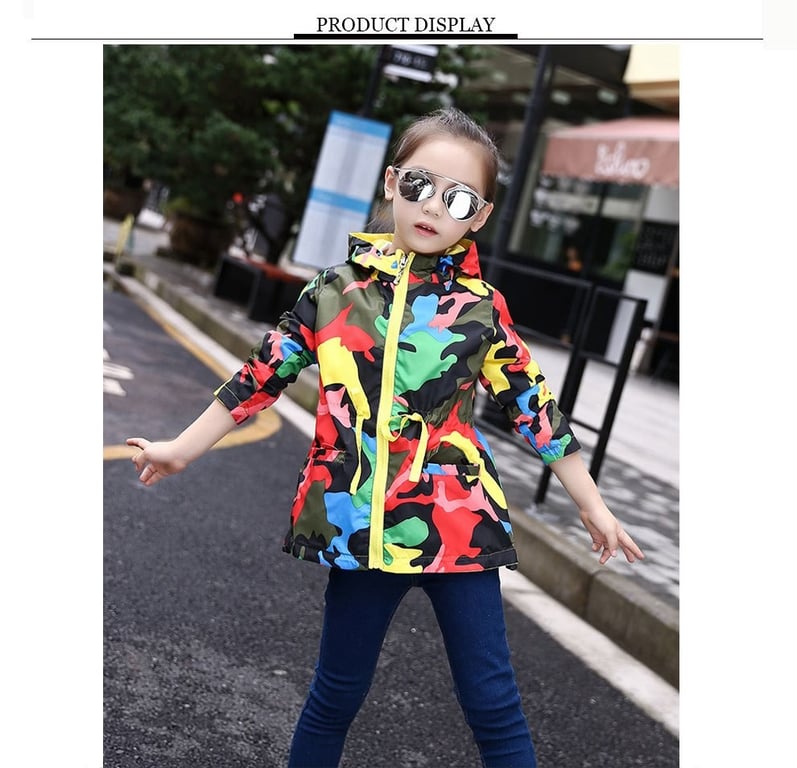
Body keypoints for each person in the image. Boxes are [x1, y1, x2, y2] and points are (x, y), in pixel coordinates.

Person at [127, 107, 645, 768]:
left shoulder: (480, 308)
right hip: (359, 526)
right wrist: (181, 449)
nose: (432, 206)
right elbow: (260, 376)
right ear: (393, 182)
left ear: (479, 216)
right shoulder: (333, 291)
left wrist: (592, 505)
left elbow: (534, 407)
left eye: (458, 198)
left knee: (493, 703)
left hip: (458, 527)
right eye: (420, 185)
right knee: (335, 695)